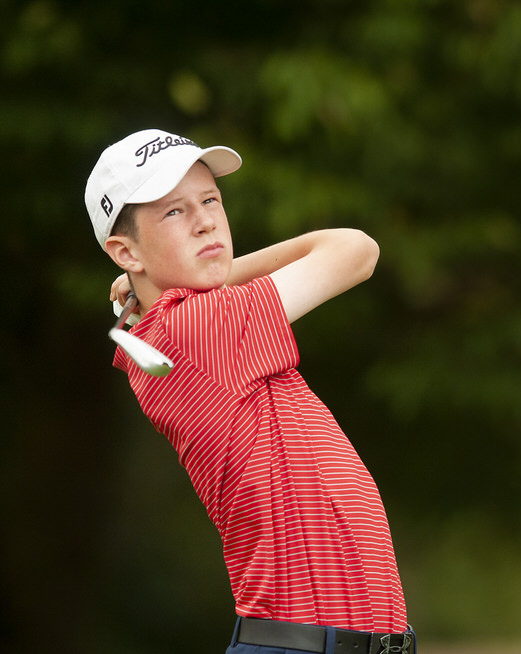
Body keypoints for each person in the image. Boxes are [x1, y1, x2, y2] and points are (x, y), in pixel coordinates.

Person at [84, 129, 414, 654]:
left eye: (210, 199)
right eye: (173, 212)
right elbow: (356, 250)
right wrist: (227, 268)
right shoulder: (197, 328)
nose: (206, 220)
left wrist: (174, 277)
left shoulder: (166, 329)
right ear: (125, 251)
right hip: (304, 644)